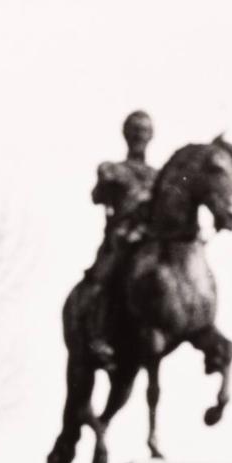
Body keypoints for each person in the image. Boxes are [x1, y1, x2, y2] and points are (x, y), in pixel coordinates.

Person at [84, 110, 159, 370]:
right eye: (135, 129)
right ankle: (98, 335)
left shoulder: (158, 175)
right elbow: (97, 197)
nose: (139, 134)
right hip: (121, 237)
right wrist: (106, 183)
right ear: (126, 134)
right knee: (104, 277)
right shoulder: (113, 169)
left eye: (144, 130)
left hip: (151, 239)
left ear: (151, 136)